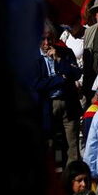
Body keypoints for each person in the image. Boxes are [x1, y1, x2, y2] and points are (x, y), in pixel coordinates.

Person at [37, 23, 82, 166]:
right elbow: (36, 84)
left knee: (72, 146)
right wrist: (60, 79)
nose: (46, 43)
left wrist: (59, 59)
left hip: (68, 104)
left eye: (49, 39)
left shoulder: (66, 53)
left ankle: (72, 179)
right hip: (47, 106)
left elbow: (75, 74)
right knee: (49, 145)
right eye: (43, 39)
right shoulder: (33, 58)